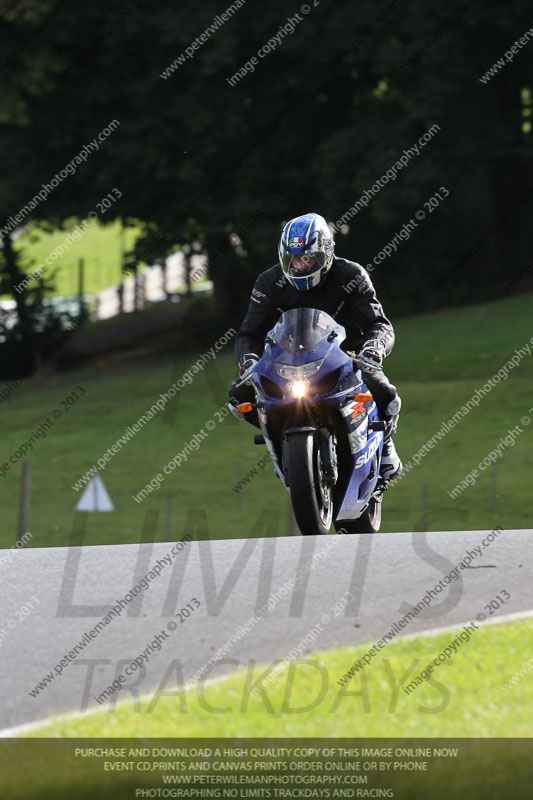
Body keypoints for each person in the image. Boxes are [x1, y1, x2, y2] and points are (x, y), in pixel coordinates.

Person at [228, 212, 402, 481]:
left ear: (326, 253)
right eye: (294, 259)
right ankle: (281, 440)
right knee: (238, 398)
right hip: (288, 362)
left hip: (347, 357)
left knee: (387, 394)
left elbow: (378, 323)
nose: (300, 265)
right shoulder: (268, 282)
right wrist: (248, 363)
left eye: (308, 258)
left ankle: (386, 443)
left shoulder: (352, 274)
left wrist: (373, 350)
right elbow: (249, 333)